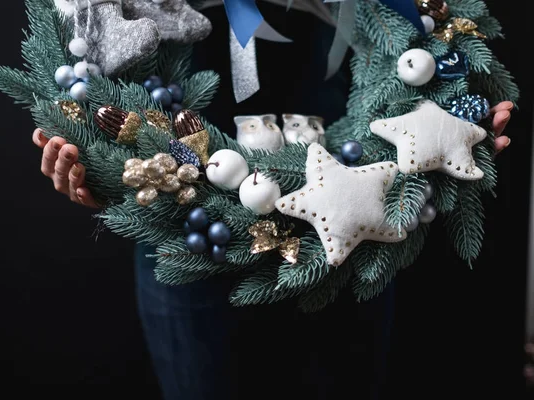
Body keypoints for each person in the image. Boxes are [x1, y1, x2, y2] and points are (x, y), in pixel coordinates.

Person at [31, 2, 514, 398]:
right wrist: (106, 172)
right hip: (194, 241)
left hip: (353, 237)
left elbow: (425, 37)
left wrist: (450, 118)